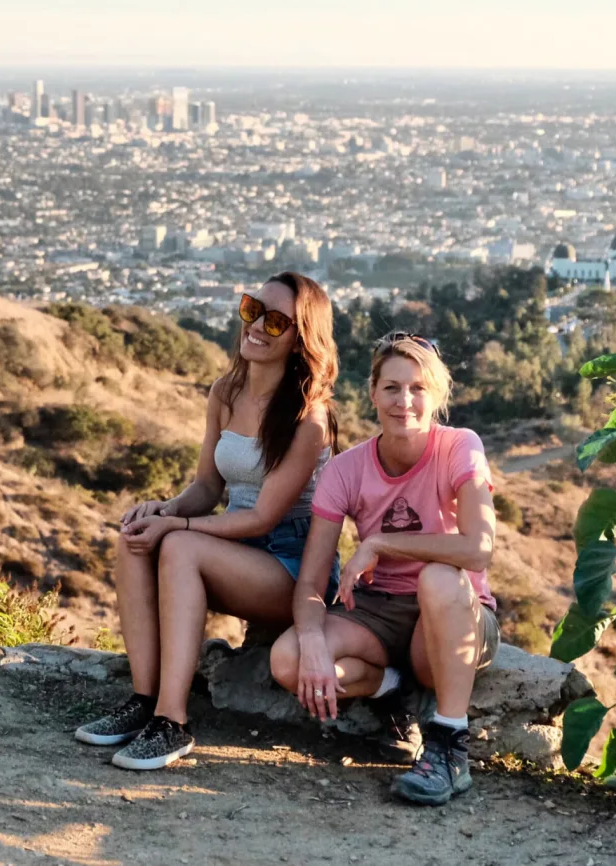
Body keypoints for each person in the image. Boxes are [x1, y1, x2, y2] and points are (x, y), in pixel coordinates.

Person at [75, 272, 341, 771]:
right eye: (252, 309)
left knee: (177, 547)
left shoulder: (310, 419)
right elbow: (207, 488)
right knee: (136, 538)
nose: (258, 326)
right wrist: (165, 511)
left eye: (277, 321)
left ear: (301, 338)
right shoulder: (226, 391)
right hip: (233, 550)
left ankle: (173, 723)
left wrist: (179, 530)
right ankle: (144, 701)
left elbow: (264, 516)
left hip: (290, 564)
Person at [269, 332, 499, 806]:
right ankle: (391, 691)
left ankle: (449, 746)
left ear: (437, 394)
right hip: (378, 613)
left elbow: (478, 549)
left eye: (418, 388)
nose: (405, 401)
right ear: (372, 392)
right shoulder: (345, 470)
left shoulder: (460, 446)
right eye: (391, 387)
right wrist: (312, 641)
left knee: (437, 575)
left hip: (456, 612)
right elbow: (312, 580)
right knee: (287, 660)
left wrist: (380, 541)